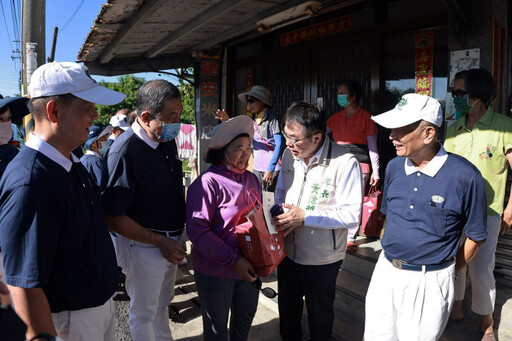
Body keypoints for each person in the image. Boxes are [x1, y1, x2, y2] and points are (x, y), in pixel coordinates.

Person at [0, 61, 125, 340]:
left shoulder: (69, 161)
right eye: (88, 107)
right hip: (69, 323)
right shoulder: (32, 181)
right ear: (54, 111)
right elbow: (24, 283)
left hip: (94, 311)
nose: (95, 117)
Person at [364, 93, 488, 341]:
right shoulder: (394, 167)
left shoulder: (465, 177)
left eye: (400, 130)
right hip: (385, 273)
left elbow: (476, 236)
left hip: (429, 282)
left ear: (428, 134)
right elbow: (389, 218)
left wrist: (445, 268)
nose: (391, 137)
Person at [102, 79, 186, 341]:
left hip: (169, 241)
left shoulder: (164, 139)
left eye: (180, 116)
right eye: (172, 117)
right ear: (147, 116)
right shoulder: (125, 151)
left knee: (162, 306)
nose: (177, 124)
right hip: (145, 246)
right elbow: (113, 217)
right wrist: (157, 240)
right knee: (143, 313)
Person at [271, 101, 363, 341]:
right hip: (288, 251)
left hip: (322, 258)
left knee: (319, 317)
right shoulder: (289, 156)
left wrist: (306, 217)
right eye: (286, 136)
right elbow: (281, 192)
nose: (289, 144)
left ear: (317, 137)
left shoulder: (344, 162)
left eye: (295, 139)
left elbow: (352, 215)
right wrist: (276, 214)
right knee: (288, 313)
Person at [444, 68, 512, 340]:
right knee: (453, 261)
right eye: (453, 93)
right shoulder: (453, 128)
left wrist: (510, 209)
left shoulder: (504, 126)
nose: (455, 98)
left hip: (488, 211)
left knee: (482, 266)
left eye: (460, 93)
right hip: (453, 212)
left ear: (478, 95)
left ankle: (486, 321)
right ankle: (456, 307)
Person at [186, 115, 260, 340]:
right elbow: (197, 230)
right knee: (217, 329)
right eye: (238, 148)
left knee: (244, 322)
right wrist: (233, 260)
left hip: (250, 267)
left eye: (248, 148)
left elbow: (259, 216)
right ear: (222, 150)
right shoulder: (207, 182)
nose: (246, 154)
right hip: (216, 271)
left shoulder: (252, 179)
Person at [327, 79, 380, 253]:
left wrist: (376, 172)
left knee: (354, 201)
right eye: (338, 92)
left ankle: (350, 238)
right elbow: (318, 135)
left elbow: (372, 147)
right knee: (335, 199)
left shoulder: (367, 118)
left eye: (343, 92)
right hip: (337, 163)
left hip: (360, 165)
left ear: (353, 95)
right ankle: (335, 232)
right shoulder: (335, 118)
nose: (339, 96)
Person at [216, 85, 283, 191]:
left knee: (270, 202)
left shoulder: (272, 120)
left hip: (272, 169)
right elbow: (239, 133)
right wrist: (228, 121)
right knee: (256, 201)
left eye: (252, 101)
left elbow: (279, 144)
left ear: (262, 101)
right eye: (248, 101)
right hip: (256, 168)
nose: (249, 104)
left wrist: (270, 169)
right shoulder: (252, 120)